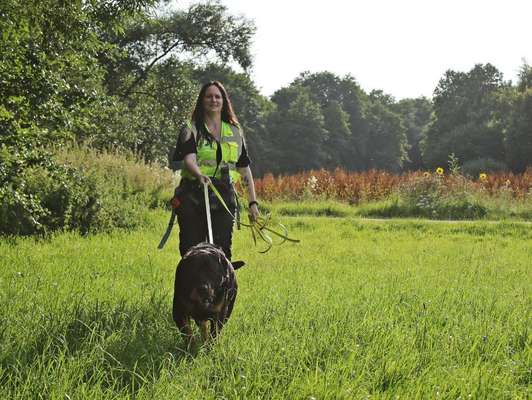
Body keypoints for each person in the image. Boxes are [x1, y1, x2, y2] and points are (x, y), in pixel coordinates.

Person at [172, 81, 260, 260]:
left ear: (223, 101)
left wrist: (253, 203)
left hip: (223, 196)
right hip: (192, 195)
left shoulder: (235, 131)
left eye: (217, 96)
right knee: (191, 252)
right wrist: (199, 174)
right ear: (202, 101)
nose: (213, 100)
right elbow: (189, 160)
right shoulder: (190, 129)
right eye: (209, 96)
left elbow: (244, 169)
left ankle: (222, 287)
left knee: (222, 253)